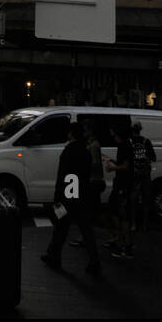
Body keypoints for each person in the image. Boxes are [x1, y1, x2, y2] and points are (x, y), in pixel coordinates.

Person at [41, 123, 101, 278]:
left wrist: (58, 196)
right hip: (81, 195)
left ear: (71, 134)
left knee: (61, 226)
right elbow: (87, 174)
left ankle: (54, 255)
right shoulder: (86, 151)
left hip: (68, 194)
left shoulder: (68, 151)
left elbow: (62, 176)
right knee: (85, 229)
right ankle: (94, 262)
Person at [104, 119, 134, 259]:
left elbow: (125, 167)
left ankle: (124, 245)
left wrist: (111, 167)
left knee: (121, 215)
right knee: (117, 213)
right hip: (122, 184)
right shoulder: (125, 144)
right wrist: (112, 161)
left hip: (122, 185)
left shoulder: (124, 145)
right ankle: (123, 242)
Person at [130, 122, 156, 233]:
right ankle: (145, 225)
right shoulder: (146, 142)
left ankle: (133, 224)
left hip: (134, 175)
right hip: (145, 175)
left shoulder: (129, 142)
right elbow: (153, 157)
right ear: (140, 130)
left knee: (132, 201)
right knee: (146, 200)